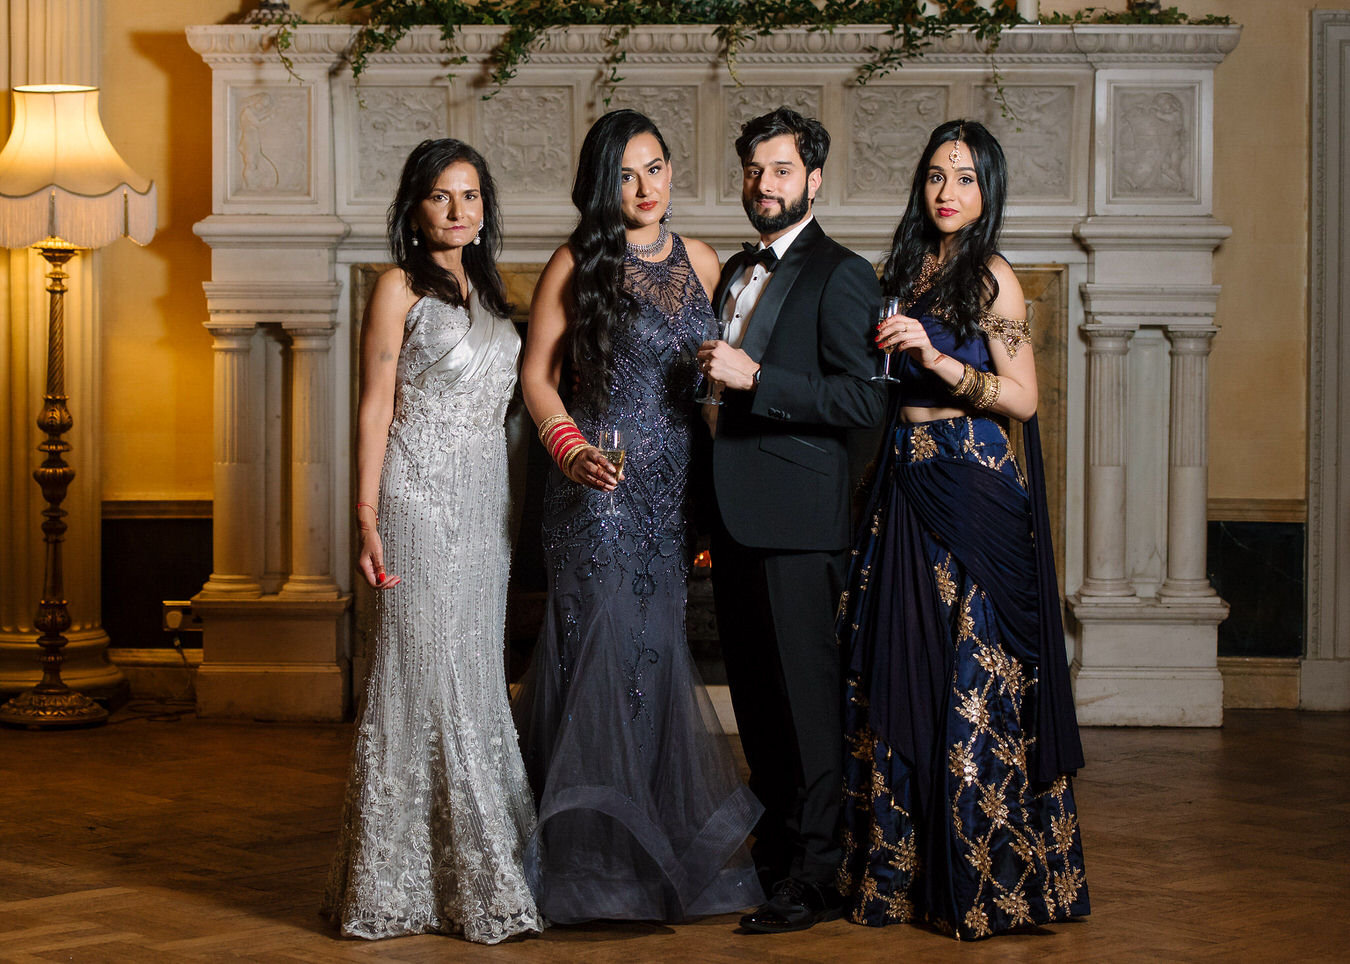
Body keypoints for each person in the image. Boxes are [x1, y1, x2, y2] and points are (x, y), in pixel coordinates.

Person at [836, 119, 1089, 939]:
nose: (949, 192)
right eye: (939, 175)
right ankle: (897, 873)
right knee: (897, 669)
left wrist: (940, 361)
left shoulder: (992, 279)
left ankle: (988, 878)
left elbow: (1023, 399)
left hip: (970, 477)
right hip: (903, 478)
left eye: (968, 178)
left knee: (972, 677)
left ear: (988, 193)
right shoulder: (904, 271)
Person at [512, 109, 764, 923]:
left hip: (673, 495)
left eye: (655, 167)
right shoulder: (575, 262)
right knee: (599, 661)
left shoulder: (700, 258)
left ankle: (653, 853)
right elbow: (537, 377)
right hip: (597, 489)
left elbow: (719, 377)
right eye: (625, 173)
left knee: (655, 658)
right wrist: (568, 446)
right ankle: (589, 864)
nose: (645, 187)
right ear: (601, 183)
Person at [322, 138, 542, 944]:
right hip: (415, 496)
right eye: (442, 196)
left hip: (487, 502)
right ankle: (397, 881)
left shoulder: (487, 289)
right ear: (415, 210)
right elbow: (376, 403)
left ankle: (465, 869)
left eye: (471, 195)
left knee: (476, 673)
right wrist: (368, 511)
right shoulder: (397, 286)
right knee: (420, 672)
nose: (459, 210)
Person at [696, 106, 885, 934]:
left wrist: (756, 378)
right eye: (752, 171)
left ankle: (819, 874)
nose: (763, 185)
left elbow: (862, 397)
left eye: (779, 171)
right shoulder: (736, 267)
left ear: (813, 179)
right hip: (735, 519)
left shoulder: (842, 272)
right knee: (760, 706)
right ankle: (777, 860)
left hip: (802, 525)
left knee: (808, 710)